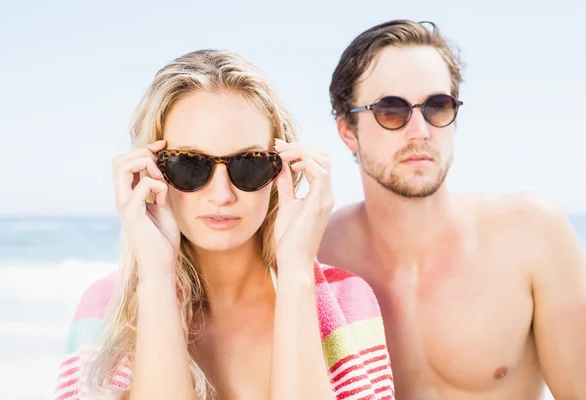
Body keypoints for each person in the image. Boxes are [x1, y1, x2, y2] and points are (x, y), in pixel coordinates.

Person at [53, 49, 394, 400]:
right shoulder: (102, 311)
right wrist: (156, 277)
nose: (221, 195)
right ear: (152, 169)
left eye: (249, 164)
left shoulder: (349, 300)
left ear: (283, 168)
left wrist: (295, 274)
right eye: (189, 165)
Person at [318, 19, 586, 400]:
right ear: (347, 130)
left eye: (437, 107)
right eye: (391, 110)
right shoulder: (316, 257)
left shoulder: (533, 236)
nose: (420, 131)